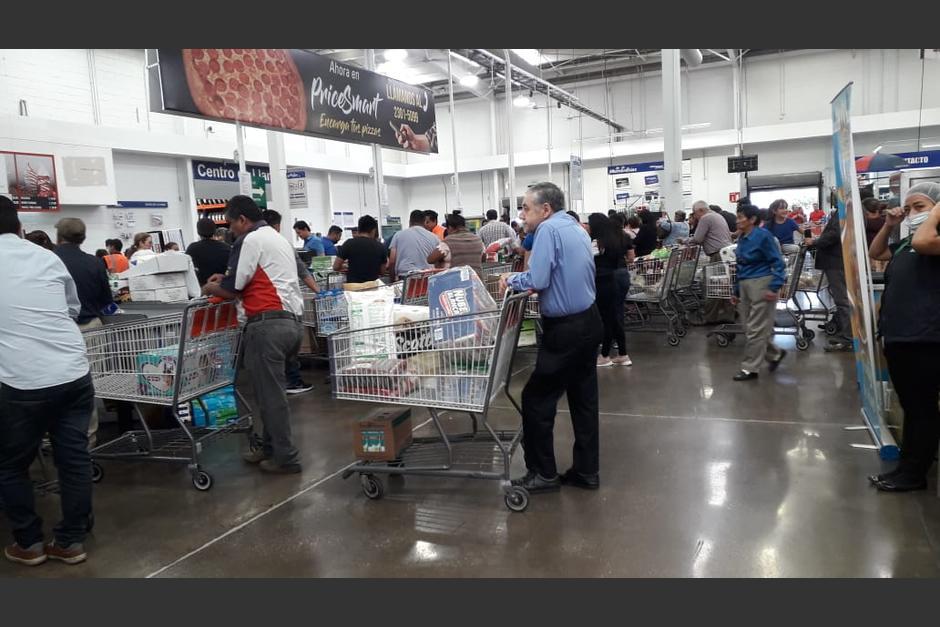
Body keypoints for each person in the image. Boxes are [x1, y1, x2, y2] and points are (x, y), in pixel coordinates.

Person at [0, 197, 95, 566]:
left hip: (22, 381)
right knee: (73, 460)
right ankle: (71, 542)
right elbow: (71, 309)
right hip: (72, 373)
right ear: (20, 226)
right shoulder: (46, 256)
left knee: (10, 464)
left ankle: (29, 543)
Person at [500, 182, 603, 494]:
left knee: (536, 399)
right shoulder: (575, 227)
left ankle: (542, 473)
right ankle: (586, 471)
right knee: (583, 399)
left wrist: (510, 278)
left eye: (526, 208)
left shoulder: (547, 230)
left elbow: (538, 279)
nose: (522, 214)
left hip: (566, 330)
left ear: (545, 209)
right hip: (589, 321)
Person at [202, 196, 304, 474]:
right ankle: (269, 448)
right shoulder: (276, 237)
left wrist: (210, 288)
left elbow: (235, 286)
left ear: (242, 220)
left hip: (267, 326)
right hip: (291, 325)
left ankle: (286, 458)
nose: (231, 230)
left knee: (271, 397)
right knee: (268, 393)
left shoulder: (249, 239)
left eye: (232, 224)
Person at [867, 182, 940, 492]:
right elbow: (876, 253)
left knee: (921, 408)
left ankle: (914, 473)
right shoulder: (908, 241)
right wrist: (890, 224)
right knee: (912, 405)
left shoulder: (930, 240)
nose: (911, 213)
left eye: (919, 207)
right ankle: (909, 465)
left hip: (925, 336)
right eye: (908, 208)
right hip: (901, 334)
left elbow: (925, 243)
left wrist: (936, 211)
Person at [53, 218, 114, 449]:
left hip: (58, 330)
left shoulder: (49, 260)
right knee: (89, 384)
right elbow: (107, 301)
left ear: (58, 236)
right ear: (83, 238)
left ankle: (57, 437)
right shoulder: (95, 263)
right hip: (91, 327)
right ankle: (88, 439)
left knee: (56, 383)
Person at [262, 209, 320, 395]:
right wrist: (320, 291)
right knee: (290, 345)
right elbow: (302, 272)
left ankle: (279, 382)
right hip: (288, 304)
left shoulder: (252, 244)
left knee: (273, 349)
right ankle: (293, 380)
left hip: (265, 305)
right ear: (278, 225)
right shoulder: (284, 245)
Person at [730, 204, 787, 381]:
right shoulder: (742, 238)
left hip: (762, 283)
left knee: (755, 329)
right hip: (745, 284)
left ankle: (750, 368)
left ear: (752, 219)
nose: (737, 220)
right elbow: (739, 265)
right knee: (748, 327)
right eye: (737, 217)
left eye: (741, 217)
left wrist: (774, 286)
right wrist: (736, 291)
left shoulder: (763, 236)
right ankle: (775, 354)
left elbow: (778, 262)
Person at [806, 210, 853, 352]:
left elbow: (835, 234)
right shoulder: (846, 210)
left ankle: (848, 337)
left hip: (835, 261)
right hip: (838, 260)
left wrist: (815, 241)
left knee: (842, 300)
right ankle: (845, 331)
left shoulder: (845, 211)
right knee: (842, 299)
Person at [588, 213, 631, 368]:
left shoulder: (596, 243)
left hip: (601, 284)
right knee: (614, 318)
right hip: (612, 281)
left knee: (607, 320)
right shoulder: (614, 239)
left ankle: (605, 355)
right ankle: (623, 354)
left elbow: (587, 262)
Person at [689, 200, 735, 324]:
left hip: (718, 255)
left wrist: (685, 241)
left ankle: (709, 317)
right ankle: (728, 314)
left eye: (695, 213)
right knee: (724, 287)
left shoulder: (706, 218)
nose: (695, 216)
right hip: (727, 254)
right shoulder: (718, 215)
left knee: (714, 288)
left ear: (700, 210)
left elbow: (698, 238)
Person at [333, 215, 388, 283]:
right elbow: (382, 272)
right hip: (372, 287)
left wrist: (346, 268)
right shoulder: (380, 246)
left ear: (359, 229)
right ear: (373, 230)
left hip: (353, 287)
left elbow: (336, 266)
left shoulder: (349, 243)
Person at [388, 209, 439, 280]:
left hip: (406, 277)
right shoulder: (435, 237)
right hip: (428, 276)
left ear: (410, 221)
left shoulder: (398, 235)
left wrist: (392, 279)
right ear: (424, 221)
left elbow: (392, 261)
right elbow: (438, 261)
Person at [186, 217, 232, 286]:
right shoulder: (226, 248)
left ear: (198, 232)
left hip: (200, 288)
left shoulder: (192, 248)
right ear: (215, 230)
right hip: (221, 287)